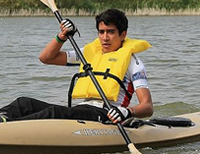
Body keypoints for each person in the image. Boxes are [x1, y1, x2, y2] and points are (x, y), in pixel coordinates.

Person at [0, 9, 153, 124]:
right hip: (82, 110)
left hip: (105, 114)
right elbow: (46, 58)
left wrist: (127, 111)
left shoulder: (134, 63)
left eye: (111, 32)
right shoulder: (88, 53)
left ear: (123, 34)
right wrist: (62, 37)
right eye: (101, 32)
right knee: (24, 103)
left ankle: (10, 129)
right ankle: (3, 121)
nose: (105, 37)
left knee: (53, 112)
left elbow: (147, 107)